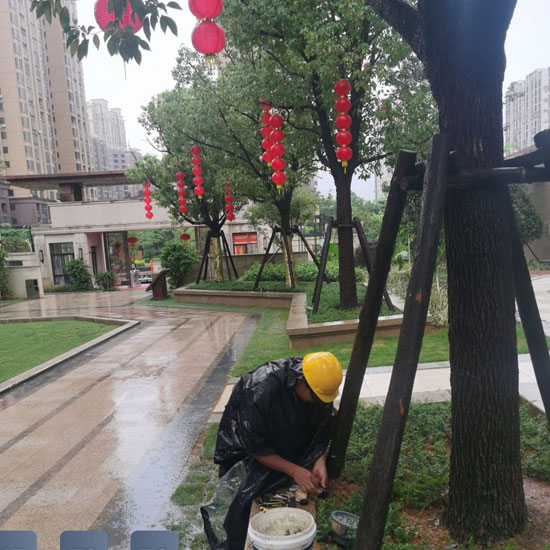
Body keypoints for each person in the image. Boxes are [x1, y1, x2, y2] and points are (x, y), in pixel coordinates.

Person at [201, 352, 343, 550]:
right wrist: (295, 471)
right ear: (302, 383)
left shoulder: (314, 382)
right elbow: (255, 447)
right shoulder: (260, 389)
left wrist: (318, 458)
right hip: (247, 453)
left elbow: (320, 425)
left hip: (280, 440)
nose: (318, 403)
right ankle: (237, 540)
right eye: (316, 398)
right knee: (243, 499)